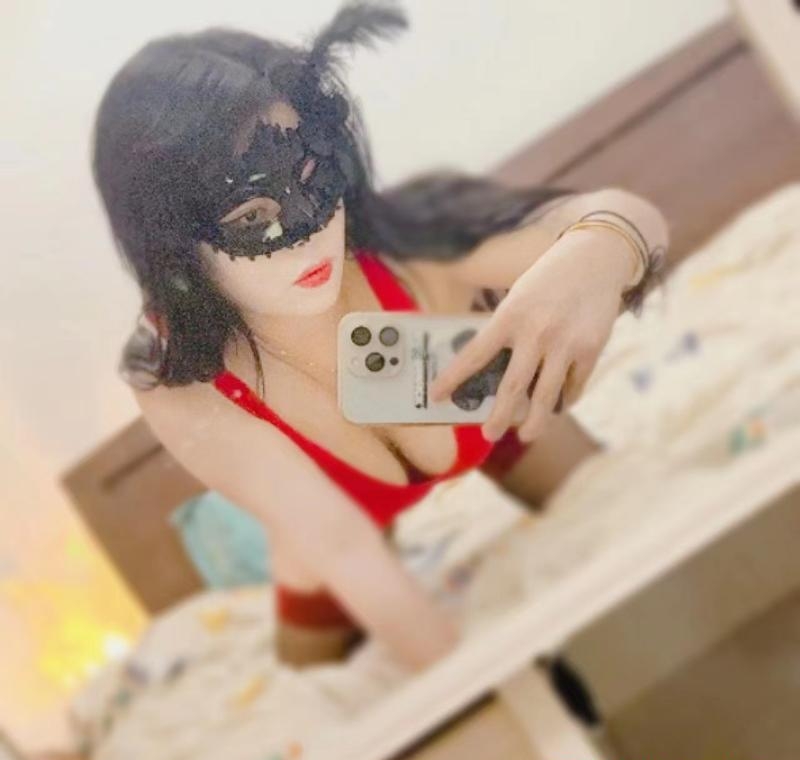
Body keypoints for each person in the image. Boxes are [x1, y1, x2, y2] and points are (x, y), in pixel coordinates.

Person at [92, 1, 669, 671]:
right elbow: (342, 546)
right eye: (252, 215)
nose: (310, 235)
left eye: (314, 180)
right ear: (171, 244)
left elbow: (631, 221)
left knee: (633, 526)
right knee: (329, 680)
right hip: (324, 550)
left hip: (469, 396)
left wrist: (601, 247)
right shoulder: (178, 379)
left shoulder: (404, 242)